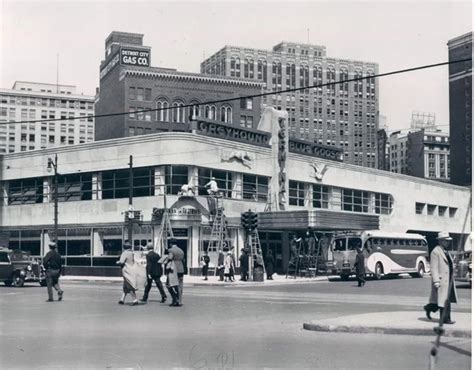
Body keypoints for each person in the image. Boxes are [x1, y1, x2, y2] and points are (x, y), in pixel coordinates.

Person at [424, 231, 458, 324]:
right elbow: (433, 268)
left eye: (448, 241)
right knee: (443, 300)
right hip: (441, 280)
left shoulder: (446, 251)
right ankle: (445, 319)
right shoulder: (436, 252)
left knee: (446, 299)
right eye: (446, 241)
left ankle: (429, 308)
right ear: (441, 241)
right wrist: (436, 281)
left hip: (449, 279)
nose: (448, 242)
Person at [167, 239, 185, 306]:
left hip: (173, 269)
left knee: (169, 284)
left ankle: (175, 299)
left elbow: (170, 258)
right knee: (180, 285)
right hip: (181, 269)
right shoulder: (181, 250)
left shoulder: (171, 250)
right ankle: (180, 301)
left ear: (171, 244)